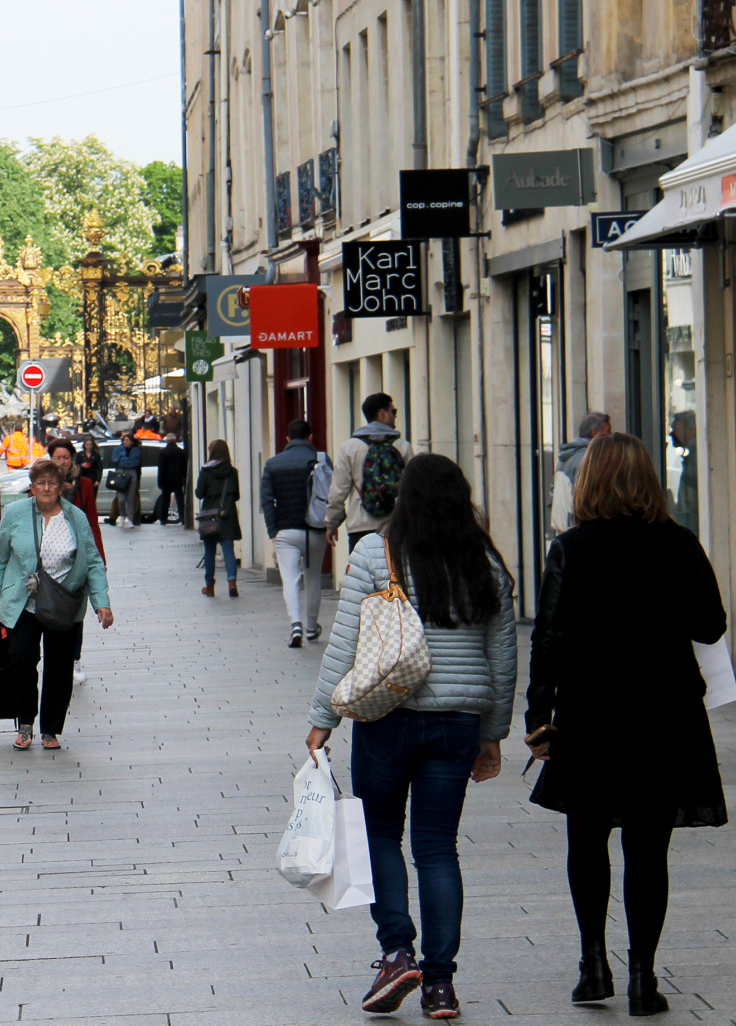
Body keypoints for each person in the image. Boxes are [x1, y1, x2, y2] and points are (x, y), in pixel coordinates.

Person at [306, 453, 517, 1019]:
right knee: (437, 849)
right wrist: (493, 732)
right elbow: (503, 654)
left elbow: (345, 643)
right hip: (456, 723)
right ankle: (441, 985)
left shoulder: (375, 552)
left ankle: (398, 950)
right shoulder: (485, 561)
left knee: (379, 834)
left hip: (387, 718)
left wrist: (323, 718)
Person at [525, 432, 727, 1017]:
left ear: (588, 481)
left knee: (586, 838)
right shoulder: (679, 544)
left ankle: (593, 965)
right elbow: (710, 626)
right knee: (647, 846)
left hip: (591, 714)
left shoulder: (571, 547)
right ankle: (643, 976)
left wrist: (539, 719)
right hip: (666, 714)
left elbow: (550, 640)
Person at [0, 457, 113, 751]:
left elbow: (92, 561)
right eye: (40, 483)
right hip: (23, 602)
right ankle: (26, 723)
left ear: (61, 487)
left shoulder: (75, 518)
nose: (46, 488)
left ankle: (51, 730)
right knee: (22, 660)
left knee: (59, 666)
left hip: (63, 602)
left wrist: (101, 603)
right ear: (31, 487)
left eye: (52, 483)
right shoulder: (15, 514)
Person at [260, 419, 328, 648]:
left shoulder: (272, 464)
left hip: (286, 531)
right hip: (315, 530)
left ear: (287, 439)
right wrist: (332, 524)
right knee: (313, 578)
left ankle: (295, 624)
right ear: (310, 437)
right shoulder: (321, 460)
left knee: (290, 579)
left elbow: (267, 501)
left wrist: (272, 530)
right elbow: (333, 494)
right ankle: (311, 628)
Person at [324, 392, 413, 553]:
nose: (395, 417)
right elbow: (412, 487)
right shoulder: (402, 446)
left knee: (363, 576)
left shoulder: (350, 447)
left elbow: (338, 490)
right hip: (394, 525)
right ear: (382, 413)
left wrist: (332, 523)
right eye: (394, 412)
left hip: (360, 526)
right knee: (394, 575)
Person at [48, 438, 105, 685]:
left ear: (73, 459)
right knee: (47, 610)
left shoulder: (83, 485)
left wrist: (99, 559)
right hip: (50, 558)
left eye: (66, 457)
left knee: (75, 612)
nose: (62, 462)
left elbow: (92, 522)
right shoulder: (45, 485)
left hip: (77, 557)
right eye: (57, 458)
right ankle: (52, 659)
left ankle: (73, 658)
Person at [549, 411, 612, 534]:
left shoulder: (566, 457)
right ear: (595, 433)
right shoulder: (589, 458)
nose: (611, 436)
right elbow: (588, 499)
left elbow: (552, 493)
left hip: (564, 530)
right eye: (608, 431)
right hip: (578, 533)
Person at [194, 438, 241, 598]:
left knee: (209, 551)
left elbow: (199, 493)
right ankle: (232, 582)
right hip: (227, 514)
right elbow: (236, 495)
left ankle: (210, 585)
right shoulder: (232, 472)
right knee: (228, 550)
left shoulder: (206, 471)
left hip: (209, 514)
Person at [111, 431, 142, 529]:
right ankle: (122, 515)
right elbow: (115, 459)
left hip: (131, 474)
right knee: (121, 498)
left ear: (132, 442)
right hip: (121, 473)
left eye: (128, 440)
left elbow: (135, 462)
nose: (126, 442)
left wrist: (123, 459)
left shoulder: (136, 450)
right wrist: (125, 460)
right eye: (124, 440)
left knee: (131, 498)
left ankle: (130, 519)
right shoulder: (118, 449)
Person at [157, 432, 187, 526]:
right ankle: (183, 517)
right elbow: (184, 466)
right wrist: (184, 477)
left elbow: (161, 468)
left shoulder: (163, 452)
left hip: (166, 479)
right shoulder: (181, 452)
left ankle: (163, 518)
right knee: (180, 498)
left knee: (165, 499)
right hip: (178, 478)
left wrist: (160, 482)